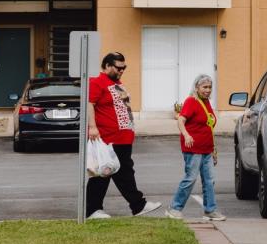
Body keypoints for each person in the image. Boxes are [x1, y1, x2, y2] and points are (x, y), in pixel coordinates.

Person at [85, 52, 161, 219]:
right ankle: (94, 210)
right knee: (103, 172)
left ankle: (136, 205)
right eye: (118, 68)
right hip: (108, 137)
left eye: (123, 68)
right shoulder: (97, 81)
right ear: (106, 66)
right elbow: (89, 104)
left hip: (123, 137)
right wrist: (92, 127)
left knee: (121, 172)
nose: (121, 71)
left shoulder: (116, 83)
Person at [166, 74, 226, 222]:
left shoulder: (206, 103)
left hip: (206, 149)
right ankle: (174, 209)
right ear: (197, 88)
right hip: (193, 149)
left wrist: (213, 150)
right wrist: (187, 135)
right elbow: (180, 120)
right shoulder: (191, 101)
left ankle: (210, 210)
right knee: (190, 179)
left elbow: (208, 127)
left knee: (209, 181)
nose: (208, 90)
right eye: (204, 87)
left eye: (210, 87)